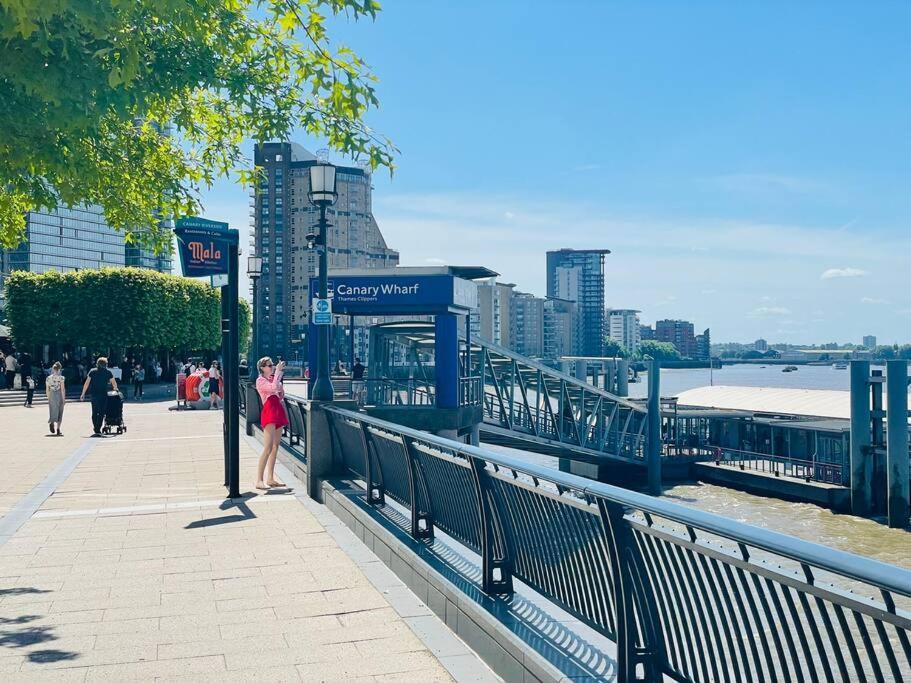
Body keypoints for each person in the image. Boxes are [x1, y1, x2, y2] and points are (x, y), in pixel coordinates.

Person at [255, 357, 288, 490]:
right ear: (262, 368)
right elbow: (274, 387)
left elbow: (280, 393)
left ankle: (270, 478)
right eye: (269, 365)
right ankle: (259, 480)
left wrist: (278, 376)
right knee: (267, 447)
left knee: (275, 446)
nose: (272, 367)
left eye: (272, 365)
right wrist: (278, 374)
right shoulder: (260, 380)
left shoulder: (272, 378)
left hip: (277, 409)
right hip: (269, 411)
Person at [80, 357, 118, 436]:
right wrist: (115, 389)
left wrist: (83, 393)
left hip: (94, 394)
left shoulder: (92, 371)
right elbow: (113, 382)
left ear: (97, 364)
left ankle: (95, 427)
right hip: (103, 394)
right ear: (105, 364)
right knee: (101, 412)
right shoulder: (108, 372)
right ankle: (98, 428)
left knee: (94, 412)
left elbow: (87, 383)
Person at [46, 361, 66, 435]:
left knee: (52, 410)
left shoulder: (48, 378)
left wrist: (48, 397)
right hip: (59, 394)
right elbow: (62, 389)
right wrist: (64, 399)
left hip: (51, 394)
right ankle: (58, 429)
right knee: (60, 411)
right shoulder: (61, 378)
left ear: (53, 369)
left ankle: (51, 422)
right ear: (59, 369)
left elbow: (47, 389)